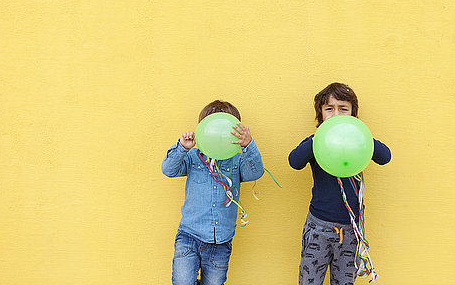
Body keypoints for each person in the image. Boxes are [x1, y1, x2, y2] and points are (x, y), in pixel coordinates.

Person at [288, 83, 391, 285]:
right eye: (329, 109)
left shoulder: (359, 141)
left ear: (353, 113)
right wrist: (317, 138)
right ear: (321, 114)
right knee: (310, 281)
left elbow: (384, 156)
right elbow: (294, 161)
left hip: (351, 229)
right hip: (318, 227)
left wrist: (361, 135)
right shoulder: (317, 141)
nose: (336, 114)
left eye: (343, 109)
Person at [162, 100, 264, 285]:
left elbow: (256, 172)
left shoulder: (238, 160)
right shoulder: (192, 157)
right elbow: (168, 170)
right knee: (182, 281)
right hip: (189, 236)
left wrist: (248, 145)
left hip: (221, 241)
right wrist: (182, 147)